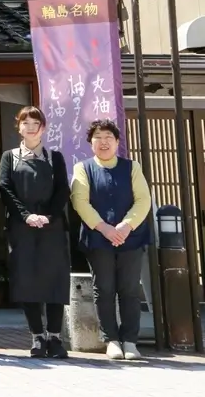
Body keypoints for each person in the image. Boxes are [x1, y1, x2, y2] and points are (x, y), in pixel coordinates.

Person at [71, 119, 151, 361]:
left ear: (117, 142)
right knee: (103, 289)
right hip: (98, 238)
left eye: (108, 137)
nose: (103, 142)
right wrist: (105, 229)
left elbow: (143, 200)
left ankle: (130, 341)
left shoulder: (132, 167)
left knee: (129, 290)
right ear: (90, 143)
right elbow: (79, 201)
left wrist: (126, 226)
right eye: (98, 137)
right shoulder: (83, 168)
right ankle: (112, 340)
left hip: (131, 237)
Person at [0, 106, 70, 359]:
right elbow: (5, 189)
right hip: (22, 227)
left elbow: (63, 190)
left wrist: (47, 216)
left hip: (52, 228)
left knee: (54, 281)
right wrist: (26, 215)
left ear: (44, 127)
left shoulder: (54, 157)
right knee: (26, 280)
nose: (30, 127)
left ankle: (55, 337)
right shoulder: (10, 157)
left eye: (35, 122)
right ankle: (37, 336)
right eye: (25, 122)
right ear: (18, 127)